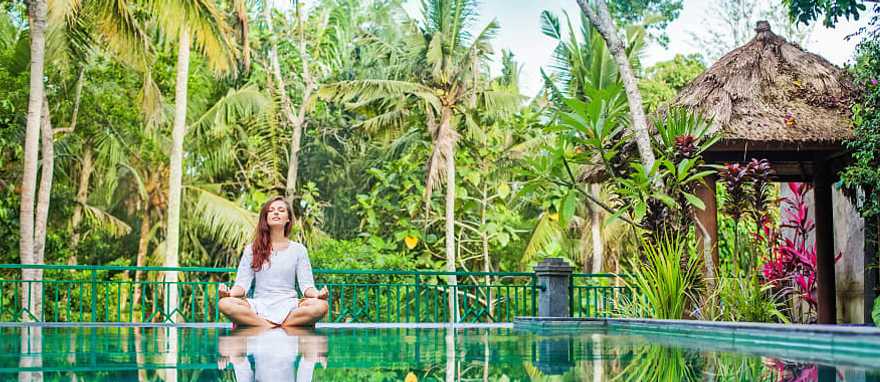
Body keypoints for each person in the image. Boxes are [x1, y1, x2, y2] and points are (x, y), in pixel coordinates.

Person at [218, 196, 329, 327]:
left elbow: (306, 286)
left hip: (290, 305)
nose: (276, 212)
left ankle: (262, 325)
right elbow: (242, 285)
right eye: (271, 210)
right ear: (266, 217)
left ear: (288, 219)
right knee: (224, 303)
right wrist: (229, 293)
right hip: (259, 305)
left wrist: (317, 294)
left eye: (281, 210)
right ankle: (276, 326)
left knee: (321, 306)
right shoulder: (252, 249)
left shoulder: (299, 250)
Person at [217, 325, 328, 381]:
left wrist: (229, 356)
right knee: (315, 344)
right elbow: (306, 367)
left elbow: (240, 364)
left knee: (232, 349)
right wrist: (314, 357)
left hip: (260, 343)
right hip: (288, 343)